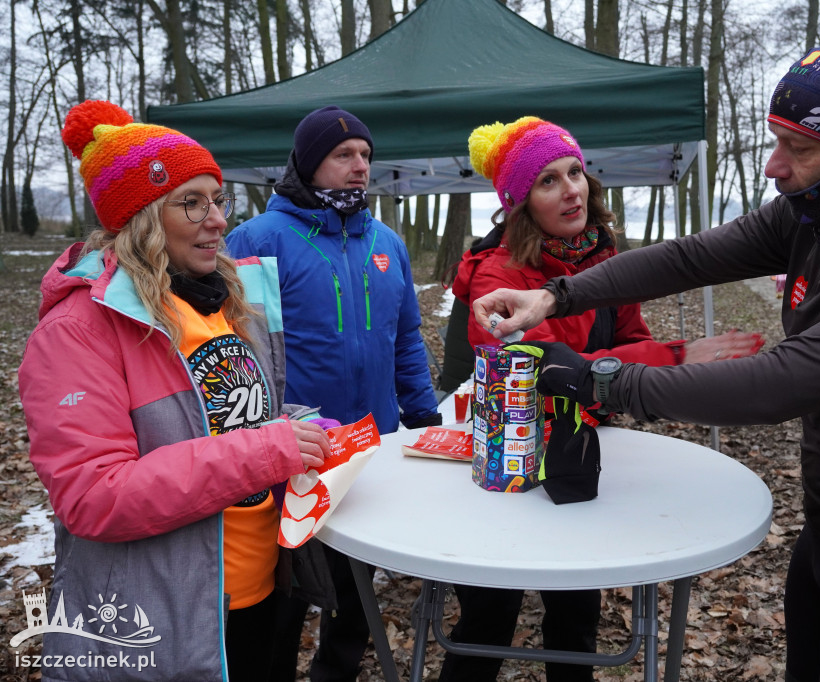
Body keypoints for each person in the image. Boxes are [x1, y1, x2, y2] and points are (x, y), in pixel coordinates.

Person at [474, 34, 820, 682]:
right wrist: (556, 294)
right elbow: (690, 258)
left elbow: (780, 384)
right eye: (775, 139)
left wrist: (601, 378)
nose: (772, 167)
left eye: (801, 149)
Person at [18, 100, 336, 681]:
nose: (217, 219)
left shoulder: (225, 298)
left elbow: (223, 417)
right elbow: (94, 496)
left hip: (263, 590)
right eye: (191, 202)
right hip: (164, 619)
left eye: (219, 199)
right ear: (139, 219)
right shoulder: (77, 332)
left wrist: (302, 429)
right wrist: (267, 450)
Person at [438, 116, 764, 682]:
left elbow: (628, 339)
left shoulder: (604, 255)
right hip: (511, 463)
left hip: (582, 451)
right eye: (548, 181)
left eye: (575, 172)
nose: (571, 189)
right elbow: (543, 374)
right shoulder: (499, 276)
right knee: (488, 619)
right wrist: (676, 357)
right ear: (519, 203)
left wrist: (647, 360)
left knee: (576, 615)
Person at [225, 105, 442, 682]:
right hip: (291, 452)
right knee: (287, 591)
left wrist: (421, 415)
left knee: (355, 587)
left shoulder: (387, 243)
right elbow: (241, 351)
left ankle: (335, 673)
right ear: (308, 162)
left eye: (366, 155)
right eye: (343, 155)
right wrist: (259, 436)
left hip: (372, 447)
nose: (359, 166)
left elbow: (406, 339)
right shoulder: (256, 239)